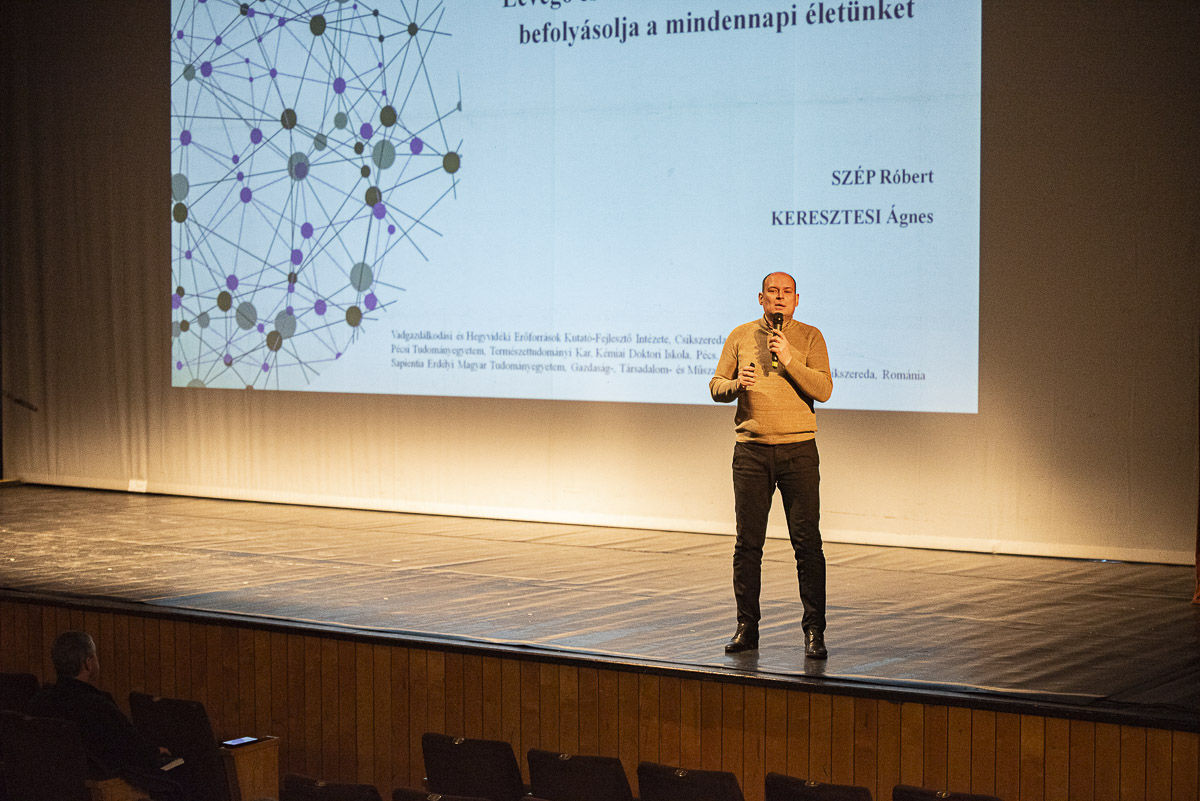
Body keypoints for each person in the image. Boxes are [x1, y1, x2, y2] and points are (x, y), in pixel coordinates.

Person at [709, 272, 833, 659]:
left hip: (799, 451)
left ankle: (814, 631)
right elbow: (716, 385)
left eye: (786, 292)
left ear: (796, 300)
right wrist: (736, 385)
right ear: (760, 298)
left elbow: (824, 390)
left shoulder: (810, 337)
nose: (779, 298)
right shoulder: (740, 335)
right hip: (752, 452)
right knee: (748, 545)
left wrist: (790, 359)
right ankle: (747, 627)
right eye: (772, 292)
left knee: (807, 545)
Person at [25, 631, 188, 801]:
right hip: (97, 785)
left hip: (49, 786)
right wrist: (156, 751)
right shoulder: (97, 706)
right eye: (94, 656)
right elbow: (131, 746)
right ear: (88, 663)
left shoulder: (38, 702)